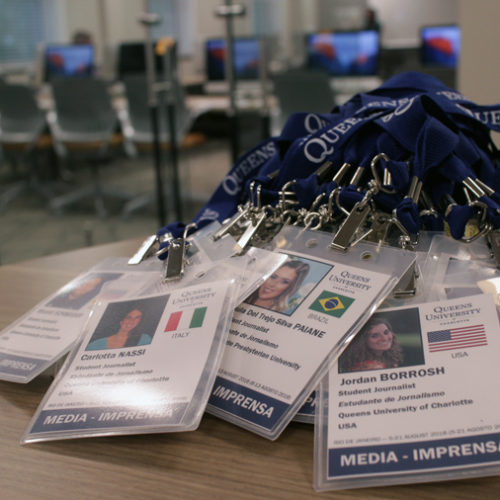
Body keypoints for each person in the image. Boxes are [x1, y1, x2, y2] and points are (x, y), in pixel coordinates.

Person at [246, 260, 310, 313]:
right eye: (273, 277)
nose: (272, 284)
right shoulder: (245, 295)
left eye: (284, 282)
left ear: (290, 288)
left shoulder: (277, 313)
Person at [86, 308, 151, 350]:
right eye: (128, 317)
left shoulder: (144, 339)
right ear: (121, 321)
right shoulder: (96, 344)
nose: (131, 321)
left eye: (137, 318)